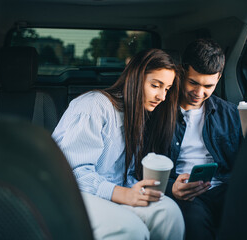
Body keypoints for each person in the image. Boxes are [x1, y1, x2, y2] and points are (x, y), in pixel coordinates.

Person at [52, 49, 185, 240]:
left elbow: (124, 175)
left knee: (169, 213)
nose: (162, 97)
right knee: (130, 230)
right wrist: (120, 193)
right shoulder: (93, 106)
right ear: (135, 79)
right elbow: (70, 171)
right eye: (156, 85)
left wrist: (139, 190)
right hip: (73, 194)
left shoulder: (138, 116)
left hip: (112, 193)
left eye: (167, 89)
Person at [165, 39, 243, 240]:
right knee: (195, 226)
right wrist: (171, 187)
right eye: (193, 82)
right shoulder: (159, 112)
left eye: (208, 86)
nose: (199, 93)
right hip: (185, 193)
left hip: (225, 188)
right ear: (182, 72)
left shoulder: (230, 113)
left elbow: (245, 160)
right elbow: (140, 166)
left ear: (218, 79)